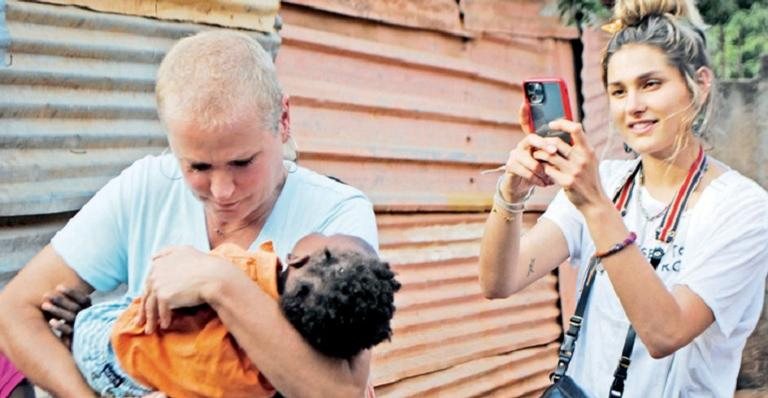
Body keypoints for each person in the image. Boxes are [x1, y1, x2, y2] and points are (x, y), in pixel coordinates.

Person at [0, 30, 378, 397]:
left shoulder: (335, 219)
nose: (222, 190)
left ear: (283, 120)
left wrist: (219, 282)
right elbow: (15, 310)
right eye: (197, 167)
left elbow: (340, 390)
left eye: (242, 162)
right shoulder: (146, 187)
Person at [479, 0, 768, 396]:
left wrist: (595, 204)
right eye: (618, 90)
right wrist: (511, 193)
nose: (633, 107)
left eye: (651, 84)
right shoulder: (607, 180)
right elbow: (500, 281)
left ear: (700, 84)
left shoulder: (743, 208)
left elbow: (665, 333)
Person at [71, 234, 399, 398]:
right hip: (142, 378)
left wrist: (217, 278)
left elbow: (168, 271)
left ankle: (74, 330)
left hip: (114, 350)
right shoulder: (264, 374)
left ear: (298, 260)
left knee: (102, 320)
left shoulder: (243, 267)